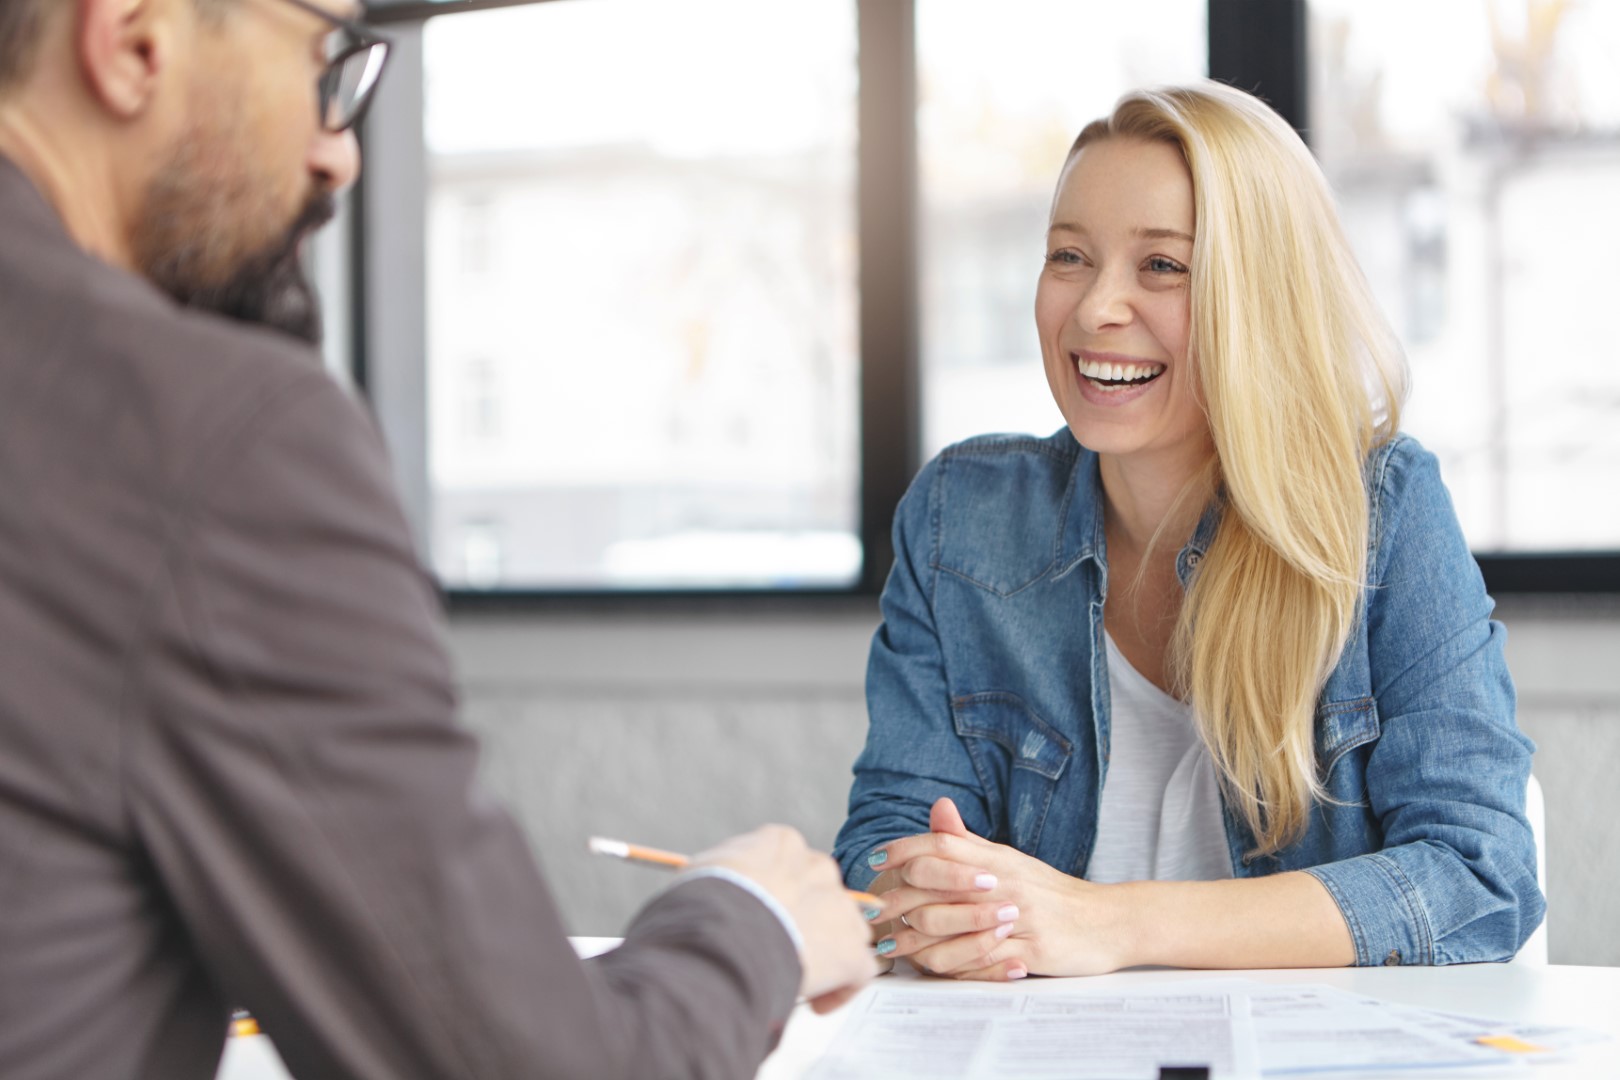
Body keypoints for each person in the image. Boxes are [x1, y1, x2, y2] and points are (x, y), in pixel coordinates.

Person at [0, 1, 875, 1077]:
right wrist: (753, 919)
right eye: (324, 61)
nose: (340, 155)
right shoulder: (206, 435)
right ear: (135, 40)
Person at [835, 82, 1544, 981]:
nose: (1096, 309)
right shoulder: (958, 518)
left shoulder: (1383, 513)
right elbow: (880, 854)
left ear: (1260, 296)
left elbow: (1481, 876)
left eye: (1162, 266)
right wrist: (929, 902)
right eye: (1069, 257)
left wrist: (1115, 925)